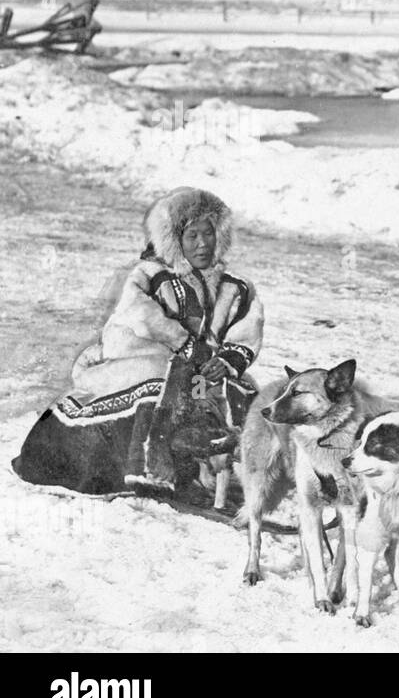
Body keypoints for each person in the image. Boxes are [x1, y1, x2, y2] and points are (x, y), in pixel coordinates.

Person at [13, 187, 264, 496]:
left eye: (208, 234)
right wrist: (183, 342)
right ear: (175, 240)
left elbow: (247, 326)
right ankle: (148, 467)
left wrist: (226, 359)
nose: (202, 244)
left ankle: (230, 465)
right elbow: (139, 315)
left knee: (239, 393)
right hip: (137, 362)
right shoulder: (150, 274)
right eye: (192, 236)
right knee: (160, 383)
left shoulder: (234, 287)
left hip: (199, 374)